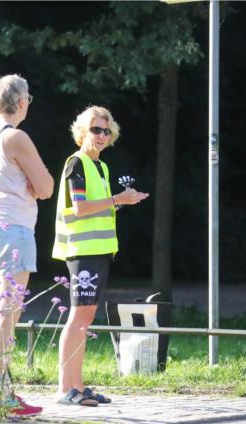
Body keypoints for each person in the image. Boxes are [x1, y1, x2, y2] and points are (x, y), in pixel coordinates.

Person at [52, 106, 149, 407]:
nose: (102, 135)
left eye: (106, 130)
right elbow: (80, 208)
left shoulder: (101, 167)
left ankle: (78, 386)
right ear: (82, 131)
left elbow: (99, 206)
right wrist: (118, 199)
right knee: (78, 319)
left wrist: (123, 202)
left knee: (85, 319)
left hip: (99, 252)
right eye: (96, 129)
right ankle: (65, 389)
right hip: (82, 252)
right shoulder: (76, 164)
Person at [0, 74, 53, 417]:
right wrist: (36, 184)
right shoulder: (17, 137)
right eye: (28, 99)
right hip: (15, 231)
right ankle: (2, 395)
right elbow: (47, 186)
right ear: (21, 103)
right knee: (8, 317)